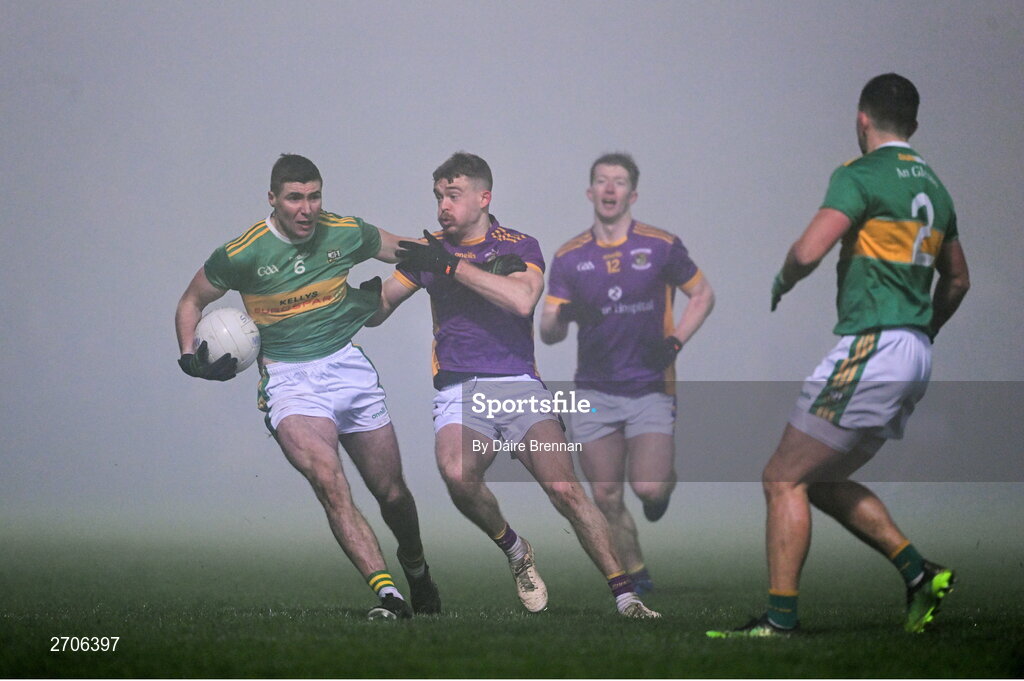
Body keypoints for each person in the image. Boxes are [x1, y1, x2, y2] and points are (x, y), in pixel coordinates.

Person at [708, 74, 970, 638]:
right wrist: (923, 333)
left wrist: (784, 277)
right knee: (816, 479)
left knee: (781, 478)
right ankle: (918, 572)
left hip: (873, 346)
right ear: (914, 126)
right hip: (913, 351)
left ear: (862, 119)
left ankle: (780, 623)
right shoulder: (937, 188)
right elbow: (958, 281)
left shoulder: (861, 175)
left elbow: (809, 248)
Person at [367, 151, 660, 618]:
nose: (443, 204)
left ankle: (627, 597)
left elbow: (523, 300)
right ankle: (516, 549)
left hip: (519, 385)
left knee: (566, 492)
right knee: (458, 475)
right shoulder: (431, 251)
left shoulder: (519, 245)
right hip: (459, 389)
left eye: (454, 195)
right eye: (439, 195)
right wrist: (338, 297)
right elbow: (379, 306)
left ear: (484, 197)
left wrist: (450, 267)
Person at [175, 154, 441, 621]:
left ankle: (416, 571)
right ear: (273, 199)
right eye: (295, 198)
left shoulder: (345, 231)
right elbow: (192, 301)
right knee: (329, 480)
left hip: (347, 367)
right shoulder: (242, 253)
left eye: (314, 196)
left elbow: (407, 247)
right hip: (288, 381)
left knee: (393, 494)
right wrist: (187, 357)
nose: (306, 208)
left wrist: (461, 253)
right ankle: (389, 597)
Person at [538, 153, 715, 594]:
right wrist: (566, 315)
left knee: (649, 489)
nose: (610, 189)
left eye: (619, 182)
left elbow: (703, 295)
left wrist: (675, 343)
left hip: (650, 387)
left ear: (632, 194)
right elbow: (548, 330)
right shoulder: (569, 256)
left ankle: (664, 489)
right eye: (602, 181)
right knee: (606, 497)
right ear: (590, 192)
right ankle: (638, 576)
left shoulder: (660, 245)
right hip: (594, 391)